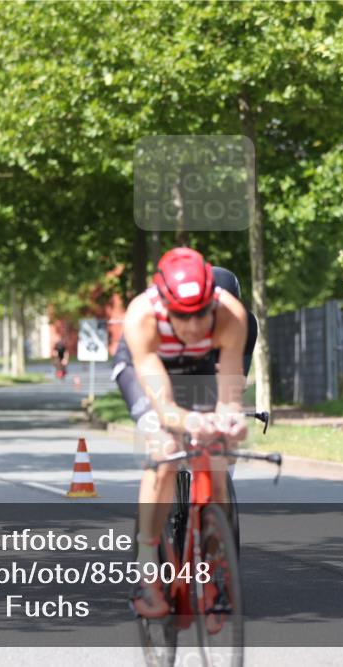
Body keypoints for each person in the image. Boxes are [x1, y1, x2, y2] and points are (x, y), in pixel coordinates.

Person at [112, 248, 250, 618]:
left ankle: (214, 563)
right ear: (165, 306)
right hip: (146, 367)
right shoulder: (143, 315)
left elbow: (229, 392)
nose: (193, 325)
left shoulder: (230, 314)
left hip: (197, 365)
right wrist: (186, 422)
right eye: (182, 316)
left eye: (201, 313)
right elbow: (165, 406)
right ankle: (146, 565)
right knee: (165, 449)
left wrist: (231, 418)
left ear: (212, 303)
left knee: (217, 455)